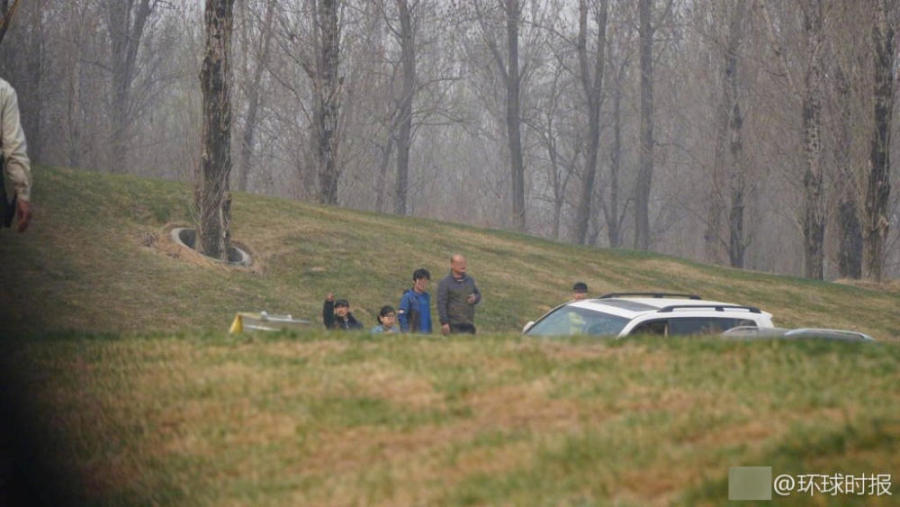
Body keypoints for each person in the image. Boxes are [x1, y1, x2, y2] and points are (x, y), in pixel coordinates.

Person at [0, 78, 32, 233]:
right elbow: (13, 147)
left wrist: (22, 192)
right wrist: (22, 193)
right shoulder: (4, 91)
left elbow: (13, 146)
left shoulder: (4, 92)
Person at [436, 254, 481, 335]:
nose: (463, 265)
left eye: (464, 263)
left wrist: (475, 298)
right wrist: (444, 323)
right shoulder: (445, 283)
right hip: (453, 326)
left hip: (469, 325)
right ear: (452, 265)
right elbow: (441, 304)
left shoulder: (470, 280)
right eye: (460, 263)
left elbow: (478, 294)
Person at [398, 268, 432, 333]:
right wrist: (406, 332)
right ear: (414, 281)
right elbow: (402, 316)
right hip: (412, 335)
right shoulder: (407, 297)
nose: (423, 283)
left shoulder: (426, 297)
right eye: (420, 280)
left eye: (425, 281)